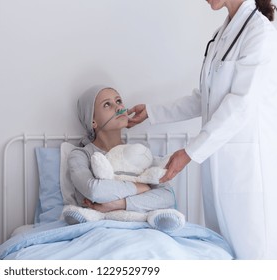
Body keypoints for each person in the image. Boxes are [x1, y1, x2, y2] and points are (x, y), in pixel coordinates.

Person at [127, 0, 277, 259]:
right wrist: (151, 112)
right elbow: (204, 98)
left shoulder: (259, 33)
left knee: (254, 257)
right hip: (218, 168)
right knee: (223, 253)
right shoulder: (222, 34)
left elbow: (240, 105)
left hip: (246, 170)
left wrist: (188, 153)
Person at [64, 85, 185, 232]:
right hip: (97, 231)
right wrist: (143, 188)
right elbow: (94, 190)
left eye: (119, 101)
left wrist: (121, 203)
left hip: (141, 230)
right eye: (107, 104)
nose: (118, 107)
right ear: (93, 121)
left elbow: (167, 196)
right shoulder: (81, 155)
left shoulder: (139, 153)